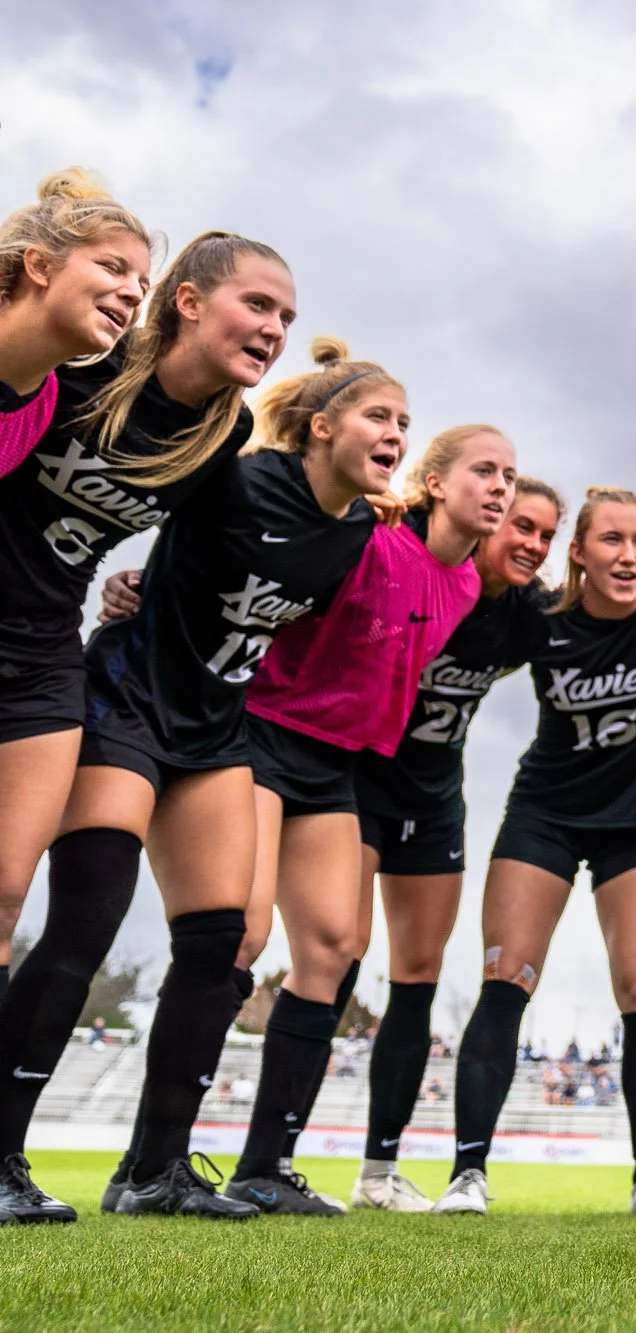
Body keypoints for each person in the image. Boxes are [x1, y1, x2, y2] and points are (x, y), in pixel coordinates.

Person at [0, 232, 297, 1223]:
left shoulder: (224, 432)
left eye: (286, 318)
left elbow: (207, 552)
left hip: (60, 652)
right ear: (185, 301)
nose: (272, 328)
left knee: (217, 936)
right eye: (257, 304)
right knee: (80, 914)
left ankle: (154, 1172)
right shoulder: (77, 368)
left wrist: (140, 586)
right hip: (103, 686)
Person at [81, 337, 392, 1219]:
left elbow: (261, 614)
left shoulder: (359, 530)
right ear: (322, 424)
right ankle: (82, 1162)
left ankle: (165, 1168)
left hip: (224, 730)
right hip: (141, 704)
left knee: (253, 943)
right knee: (103, 917)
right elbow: (166, 524)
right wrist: (127, 581)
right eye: (379, 415)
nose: (396, 431)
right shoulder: (241, 477)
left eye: (405, 421)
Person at [218, 422, 513, 1215]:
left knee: (336, 947)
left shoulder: (472, 590)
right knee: (238, 935)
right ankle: (156, 1158)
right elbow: (271, 564)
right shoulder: (370, 532)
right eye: (485, 472)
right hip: (270, 736)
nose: (501, 490)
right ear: (436, 480)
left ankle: (272, 1165)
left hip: (352, 774)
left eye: (510, 479)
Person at [435, 486, 636, 1219]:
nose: (627, 555)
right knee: (505, 976)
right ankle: (468, 1174)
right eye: (612, 540)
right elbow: (460, 607)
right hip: (544, 816)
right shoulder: (541, 613)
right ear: (579, 553)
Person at [346, 478, 563, 1211]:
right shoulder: (422, 567)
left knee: (419, 974)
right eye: (519, 525)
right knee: (337, 952)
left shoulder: (527, 616)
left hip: (436, 795)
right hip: (356, 780)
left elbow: (593, 624)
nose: (532, 543)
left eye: (546, 534)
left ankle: (378, 1174)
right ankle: (266, 1158)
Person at [0, 170, 151, 482]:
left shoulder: (42, 405)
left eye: (143, 287)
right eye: (112, 267)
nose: (135, 295)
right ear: (41, 265)